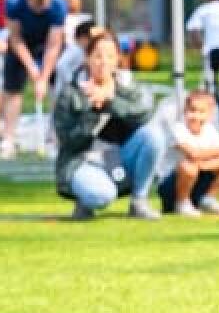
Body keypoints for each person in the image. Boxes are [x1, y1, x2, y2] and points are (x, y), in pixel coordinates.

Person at [53, 27, 165, 220]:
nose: (104, 62)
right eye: (97, 56)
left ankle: (139, 202)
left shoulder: (128, 86)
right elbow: (68, 140)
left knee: (154, 136)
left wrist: (110, 101)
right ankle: (84, 199)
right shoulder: (70, 93)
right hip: (83, 161)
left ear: (118, 59)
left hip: (120, 158)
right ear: (87, 58)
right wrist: (93, 114)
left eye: (110, 56)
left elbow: (144, 112)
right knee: (102, 195)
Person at [0, 0, 67, 158]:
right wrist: (33, 70)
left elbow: (54, 45)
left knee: (58, 88)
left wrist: (43, 77)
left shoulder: (58, 4)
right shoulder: (13, 0)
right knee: (12, 89)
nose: (42, 7)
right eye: (37, 4)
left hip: (47, 42)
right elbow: (15, 38)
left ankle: (56, 136)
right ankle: (8, 138)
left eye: (45, 3)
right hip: (21, 42)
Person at [159, 88, 219, 216]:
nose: (196, 116)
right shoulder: (178, 129)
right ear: (185, 111)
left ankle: (208, 200)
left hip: (198, 179)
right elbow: (193, 154)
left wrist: (202, 165)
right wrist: (216, 153)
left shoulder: (210, 131)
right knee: (188, 167)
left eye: (201, 112)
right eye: (192, 110)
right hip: (172, 186)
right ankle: (181, 204)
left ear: (209, 114)